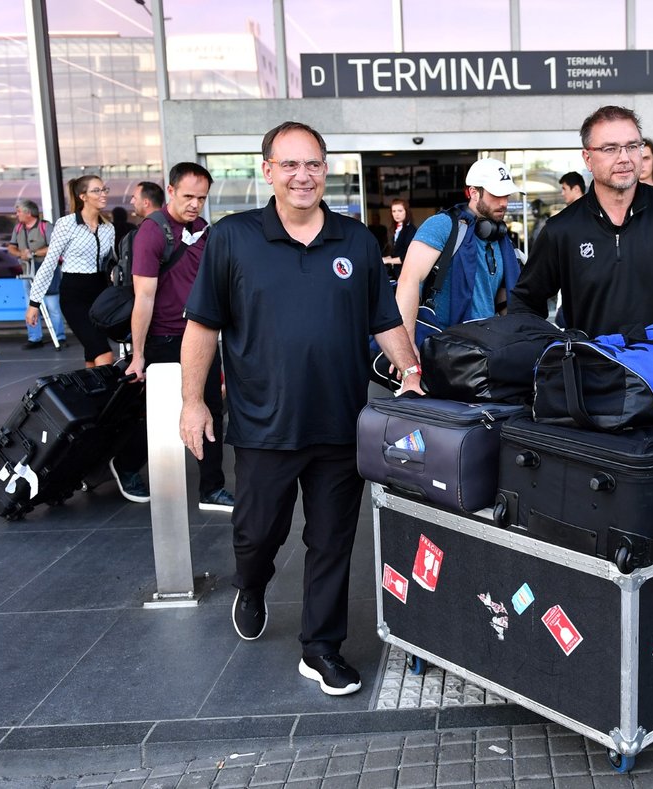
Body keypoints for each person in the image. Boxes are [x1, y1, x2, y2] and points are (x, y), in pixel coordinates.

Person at [178, 121, 423, 696]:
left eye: (312, 163)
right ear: (267, 171)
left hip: (340, 425)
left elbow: (383, 319)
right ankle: (252, 582)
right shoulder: (233, 238)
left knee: (333, 539)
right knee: (258, 532)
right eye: (289, 164)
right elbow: (202, 326)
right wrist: (193, 403)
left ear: (326, 168)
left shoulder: (356, 241)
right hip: (263, 425)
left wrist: (411, 372)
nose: (302, 175)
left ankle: (321, 648)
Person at [510, 105, 653, 338]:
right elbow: (525, 303)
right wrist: (549, 352)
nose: (624, 158)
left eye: (632, 146)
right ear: (588, 158)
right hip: (592, 368)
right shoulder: (562, 229)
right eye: (610, 149)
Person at [111, 162, 234, 511]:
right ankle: (126, 464)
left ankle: (212, 487)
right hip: (164, 338)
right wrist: (138, 355)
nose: (195, 204)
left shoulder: (204, 230)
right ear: (171, 191)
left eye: (202, 198)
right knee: (163, 414)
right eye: (188, 196)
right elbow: (143, 298)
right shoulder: (154, 232)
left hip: (201, 335)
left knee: (211, 407)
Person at [395, 158, 522, 342]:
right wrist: (405, 344)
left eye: (507, 195)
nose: (503, 202)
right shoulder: (443, 225)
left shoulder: (501, 239)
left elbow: (501, 299)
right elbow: (408, 281)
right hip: (442, 345)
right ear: (474, 193)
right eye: (496, 194)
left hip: (486, 345)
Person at [26, 176, 116, 367]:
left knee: (93, 353)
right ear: (83, 196)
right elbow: (50, 263)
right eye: (97, 190)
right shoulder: (67, 224)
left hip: (100, 294)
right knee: (104, 354)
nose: (103, 194)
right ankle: (107, 395)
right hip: (74, 294)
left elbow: (111, 263)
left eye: (104, 189)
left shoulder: (109, 228)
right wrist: (34, 302)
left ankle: (93, 395)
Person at [7, 199, 67, 350]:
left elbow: (55, 246)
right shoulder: (18, 228)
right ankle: (34, 338)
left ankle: (59, 337)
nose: (16, 215)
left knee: (52, 304)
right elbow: (11, 248)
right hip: (28, 272)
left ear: (28, 213)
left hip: (47, 271)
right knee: (31, 305)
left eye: (19, 211)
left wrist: (33, 253)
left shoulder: (45, 227)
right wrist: (21, 254)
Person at [381, 198, 416, 279]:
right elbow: (399, 251)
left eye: (400, 211)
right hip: (397, 272)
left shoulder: (410, 230)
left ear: (406, 212)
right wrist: (389, 257)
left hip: (406, 273)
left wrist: (388, 260)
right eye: (394, 211)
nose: (397, 214)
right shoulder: (397, 229)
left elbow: (408, 256)